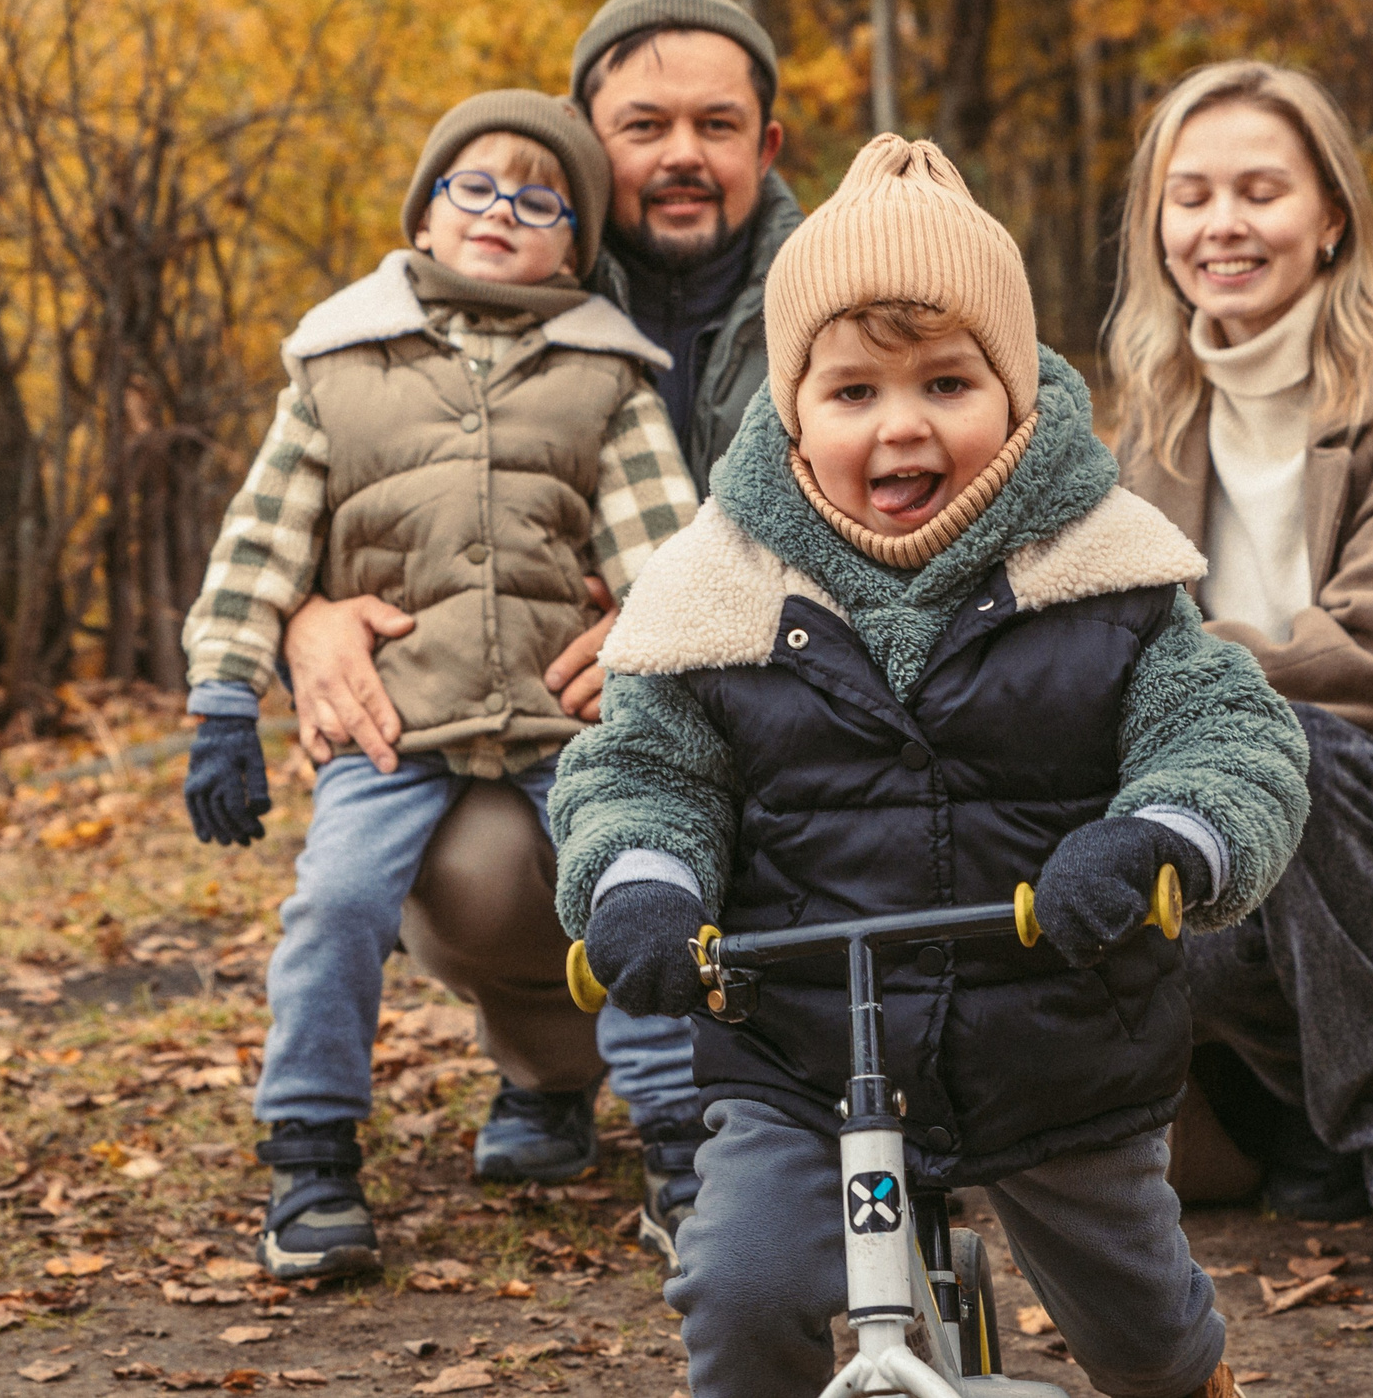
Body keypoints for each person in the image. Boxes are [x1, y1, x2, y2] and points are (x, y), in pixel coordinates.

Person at [552, 133, 1310, 1398]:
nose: (902, 426)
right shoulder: (716, 591)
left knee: (1144, 1330)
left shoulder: (1102, 568)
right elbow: (639, 765)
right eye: (852, 392)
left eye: (948, 383)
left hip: (1057, 1033)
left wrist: (1160, 837)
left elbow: (1228, 732)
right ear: (789, 409)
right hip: (798, 1049)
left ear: (1016, 391)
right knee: (740, 1288)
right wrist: (641, 881)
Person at [277, 0, 802, 1263]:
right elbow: (317, 488)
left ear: (765, 147)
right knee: (472, 861)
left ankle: (765, 1087)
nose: (681, 154)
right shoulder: (480, 278)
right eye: (643, 125)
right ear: (586, 137)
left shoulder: (829, 290)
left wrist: (672, 617)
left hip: (779, 708)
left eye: (716, 125)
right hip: (539, 726)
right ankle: (551, 1058)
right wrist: (306, 622)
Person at [176, 91, 695, 1280]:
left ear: (576, 241)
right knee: (335, 904)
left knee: (637, 885)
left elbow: (666, 554)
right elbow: (261, 541)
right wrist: (222, 696)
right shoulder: (335, 366)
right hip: (392, 727)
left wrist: (663, 665)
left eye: (539, 197)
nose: (501, 213)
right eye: (474, 186)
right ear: (423, 210)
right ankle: (308, 1153)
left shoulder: (604, 379)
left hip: (565, 723)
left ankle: (682, 1142)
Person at [1107, 59, 1373, 1309]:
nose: (1221, 225)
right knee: (1116, 849)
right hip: (1266, 833)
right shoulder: (1149, 416)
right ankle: (1305, 1106)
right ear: (1157, 225)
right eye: (1190, 196)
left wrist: (1164, 676)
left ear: (1330, 214)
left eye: (1259, 190)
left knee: (1291, 744)